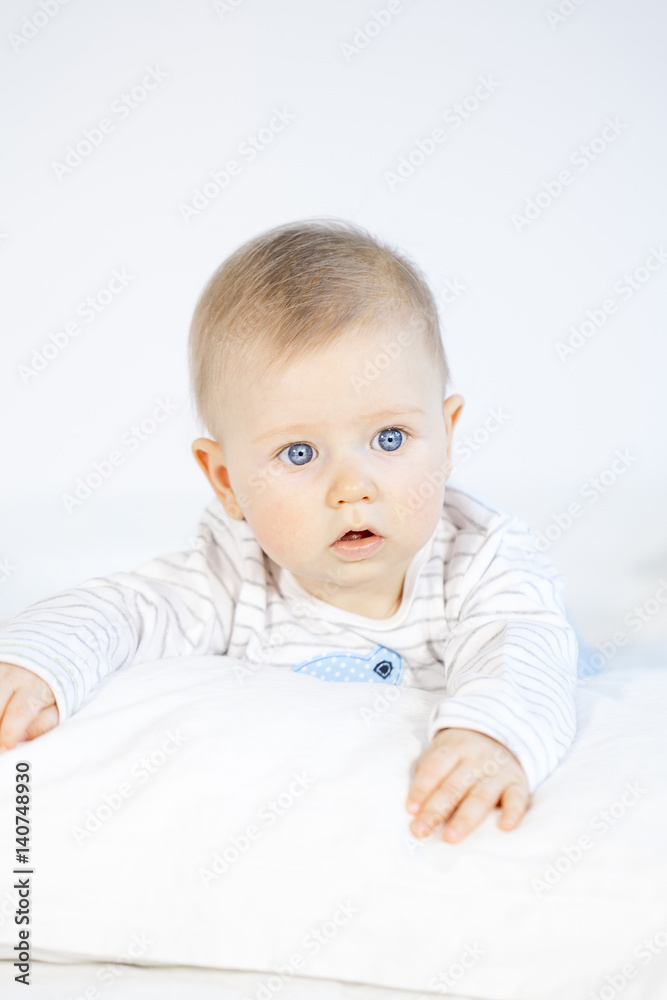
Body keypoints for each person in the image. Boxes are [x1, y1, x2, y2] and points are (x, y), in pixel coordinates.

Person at [0, 218, 578, 845]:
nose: (353, 487)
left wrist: (491, 733)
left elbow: (524, 649)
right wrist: (35, 661)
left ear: (447, 436)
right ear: (225, 480)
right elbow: (128, 609)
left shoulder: (483, 562)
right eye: (299, 454)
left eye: (390, 439)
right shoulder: (232, 576)